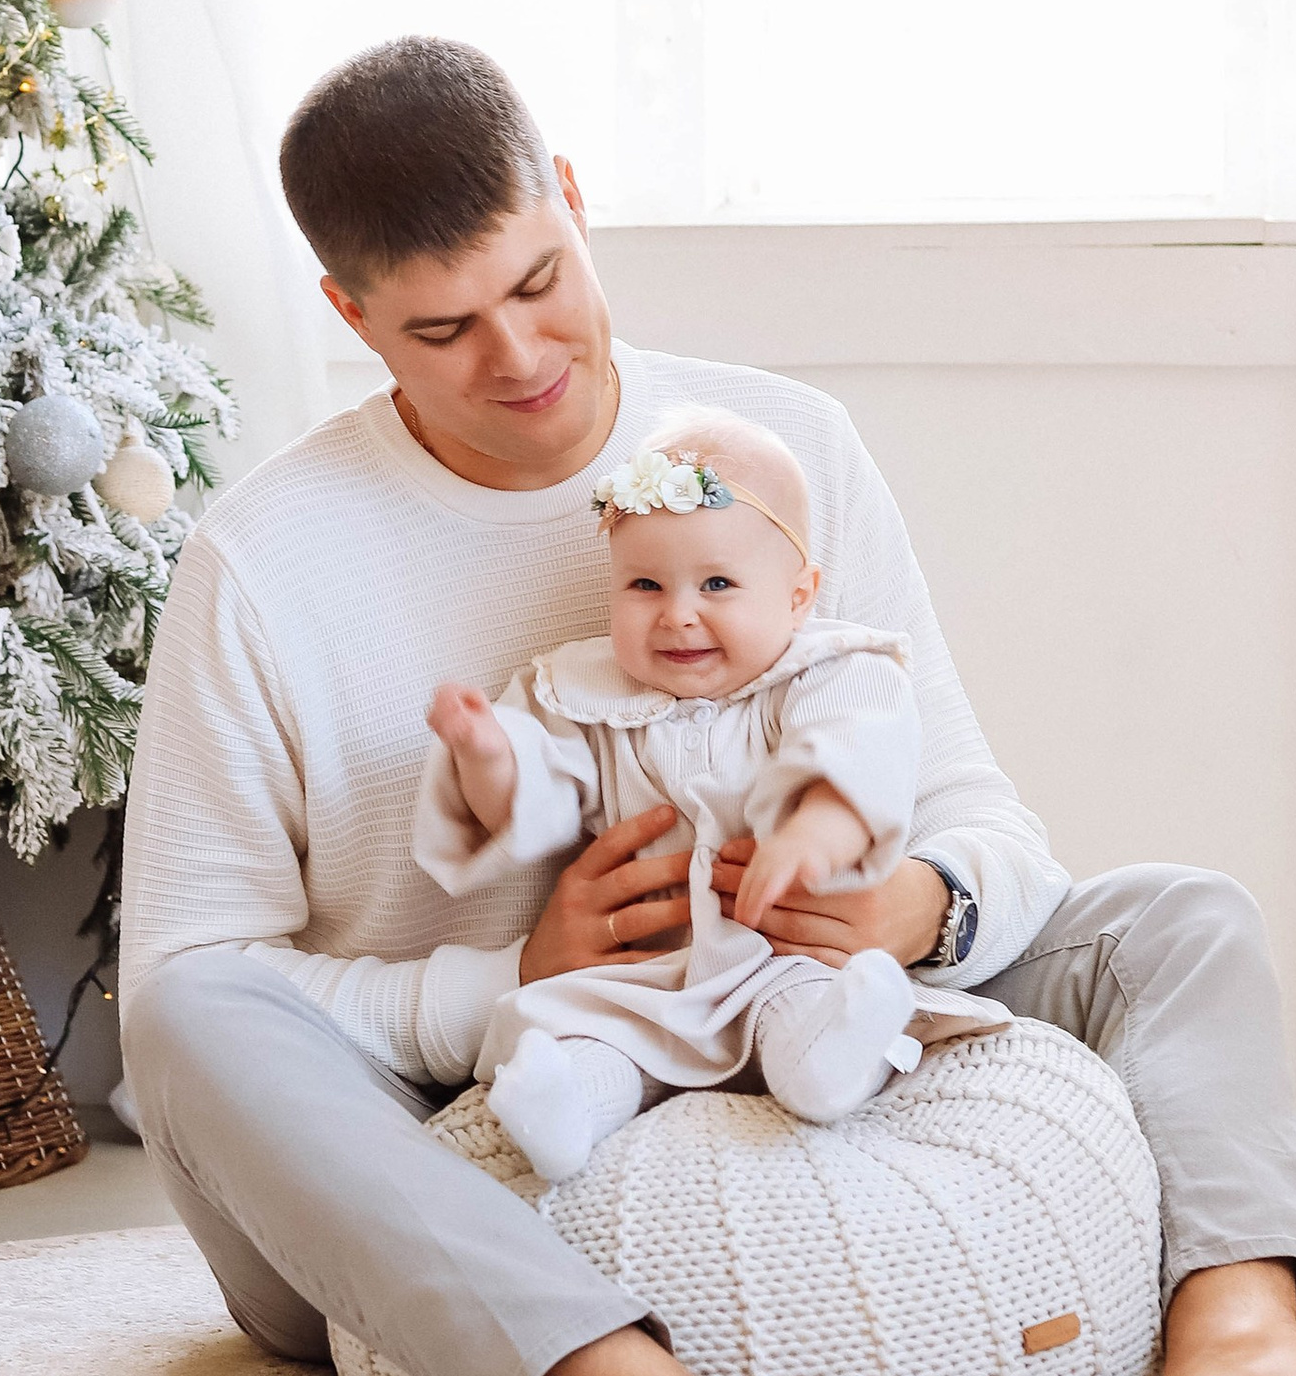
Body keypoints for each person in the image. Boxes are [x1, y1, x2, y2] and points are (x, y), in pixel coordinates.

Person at [120, 37, 1296, 1376]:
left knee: (1180, 921)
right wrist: (506, 978)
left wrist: (912, 903)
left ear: (570, 200)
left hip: (794, 995)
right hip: (449, 1116)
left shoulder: (783, 451)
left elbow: (980, 811)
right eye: (442, 328)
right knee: (190, 1021)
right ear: (350, 318)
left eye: (542, 280)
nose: (519, 356)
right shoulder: (267, 564)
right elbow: (200, 978)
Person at [418, 408, 1007, 1180]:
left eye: (718, 583)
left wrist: (812, 834)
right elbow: (539, 793)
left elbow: (854, 747)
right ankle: (564, 1113)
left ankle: (837, 1057)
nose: (678, 612)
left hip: (778, 954)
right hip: (648, 975)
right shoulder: (584, 692)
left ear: (799, 596)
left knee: (802, 1010)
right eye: (644, 584)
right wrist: (487, 752)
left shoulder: (829, 671)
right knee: (581, 1028)